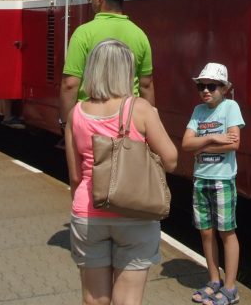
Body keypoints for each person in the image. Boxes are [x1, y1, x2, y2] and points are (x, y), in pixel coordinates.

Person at [65, 39, 177, 305]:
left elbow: (75, 176)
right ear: (126, 72)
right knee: (128, 300)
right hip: (135, 213)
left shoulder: (75, 114)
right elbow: (171, 160)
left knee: (94, 299)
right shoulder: (140, 109)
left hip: (88, 213)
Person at [181, 62, 245, 305]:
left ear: (224, 89)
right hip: (201, 179)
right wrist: (215, 137)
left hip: (222, 180)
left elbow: (234, 144)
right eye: (201, 86)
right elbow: (186, 144)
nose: (206, 90)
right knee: (206, 232)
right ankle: (214, 280)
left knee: (226, 232)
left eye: (212, 86)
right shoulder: (198, 111)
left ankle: (230, 287)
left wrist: (202, 145)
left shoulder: (231, 107)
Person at [60, 0, 155, 129]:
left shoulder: (83, 33)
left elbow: (70, 84)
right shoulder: (140, 35)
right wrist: (149, 124)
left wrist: (65, 123)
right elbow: (146, 85)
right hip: (128, 122)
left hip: (90, 121)